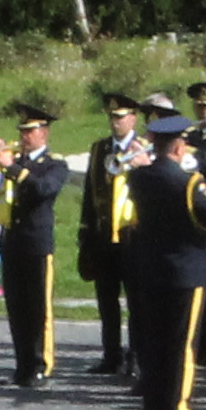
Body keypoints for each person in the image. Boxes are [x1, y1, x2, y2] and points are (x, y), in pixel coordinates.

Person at [125, 101, 206, 410]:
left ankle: (154, 408)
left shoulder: (140, 177)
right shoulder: (189, 183)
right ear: (178, 146)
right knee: (181, 345)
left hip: (151, 269)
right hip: (185, 273)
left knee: (155, 342)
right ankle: (177, 408)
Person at [0, 101, 72, 387]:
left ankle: (41, 365)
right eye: (22, 130)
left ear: (44, 133)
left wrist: (11, 167)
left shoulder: (54, 164)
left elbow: (42, 190)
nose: (24, 136)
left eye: (30, 130)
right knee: (17, 309)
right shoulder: (15, 161)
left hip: (37, 244)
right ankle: (22, 366)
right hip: (12, 241)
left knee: (39, 309)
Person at [80, 95, 146, 376]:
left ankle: (135, 357)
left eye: (121, 117)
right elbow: (89, 193)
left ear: (133, 118)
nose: (115, 122)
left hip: (132, 237)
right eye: (112, 117)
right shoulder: (99, 149)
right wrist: (85, 235)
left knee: (136, 302)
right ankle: (111, 355)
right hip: (104, 236)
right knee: (107, 301)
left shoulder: (142, 149)